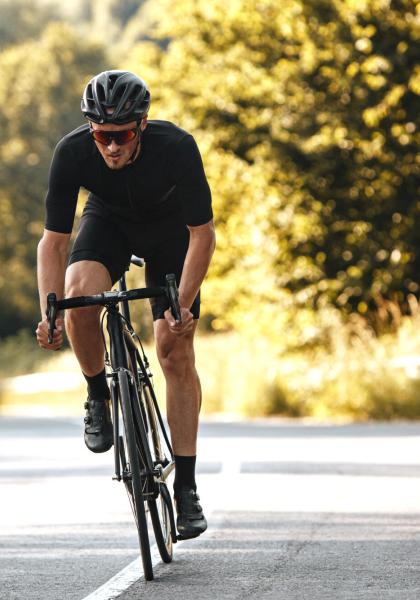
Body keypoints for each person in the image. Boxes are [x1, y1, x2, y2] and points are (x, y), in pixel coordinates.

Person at [36, 70, 215, 539]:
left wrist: (182, 305)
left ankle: (187, 490)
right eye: (101, 135)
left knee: (174, 350)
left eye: (122, 135)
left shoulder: (176, 147)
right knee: (78, 294)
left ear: (142, 125)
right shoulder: (72, 152)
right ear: (90, 130)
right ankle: (99, 394)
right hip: (109, 224)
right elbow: (53, 244)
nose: (111, 146)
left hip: (171, 232)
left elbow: (203, 235)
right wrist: (48, 312)